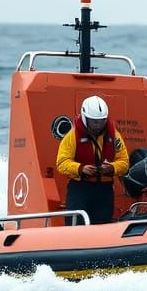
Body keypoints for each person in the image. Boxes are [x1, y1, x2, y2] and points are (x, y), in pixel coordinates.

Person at [55, 95, 130, 224]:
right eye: (94, 121)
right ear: (85, 118)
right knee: (75, 224)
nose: (98, 124)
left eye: (102, 121)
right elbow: (62, 162)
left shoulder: (114, 136)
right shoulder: (72, 136)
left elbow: (124, 162)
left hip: (104, 189)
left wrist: (112, 168)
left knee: (103, 224)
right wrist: (81, 168)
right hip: (79, 188)